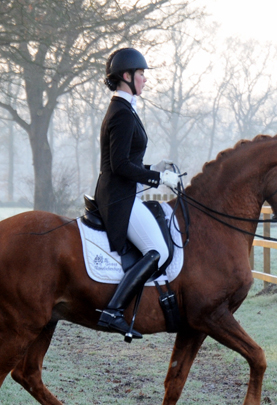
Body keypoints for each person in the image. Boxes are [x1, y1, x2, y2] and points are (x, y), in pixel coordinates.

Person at [95, 47, 180, 339]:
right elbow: (118, 165)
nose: (144, 79)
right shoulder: (122, 112)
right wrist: (158, 178)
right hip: (119, 198)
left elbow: (125, 161)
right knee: (159, 250)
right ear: (127, 76)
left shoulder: (124, 108)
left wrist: (151, 167)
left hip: (123, 192)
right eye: (141, 74)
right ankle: (114, 310)